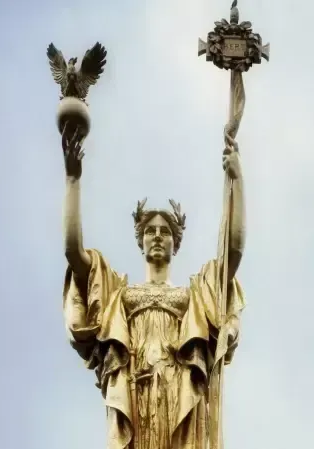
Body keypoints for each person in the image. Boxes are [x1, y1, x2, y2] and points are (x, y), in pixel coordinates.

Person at [60, 125, 246, 449]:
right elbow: (73, 253)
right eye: (150, 231)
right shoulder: (120, 293)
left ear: (176, 243)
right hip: (136, 388)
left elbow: (234, 251)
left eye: (165, 231)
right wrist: (73, 180)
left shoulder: (192, 297)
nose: (157, 236)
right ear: (140, 241)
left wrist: (237, 179)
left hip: (178, 390)